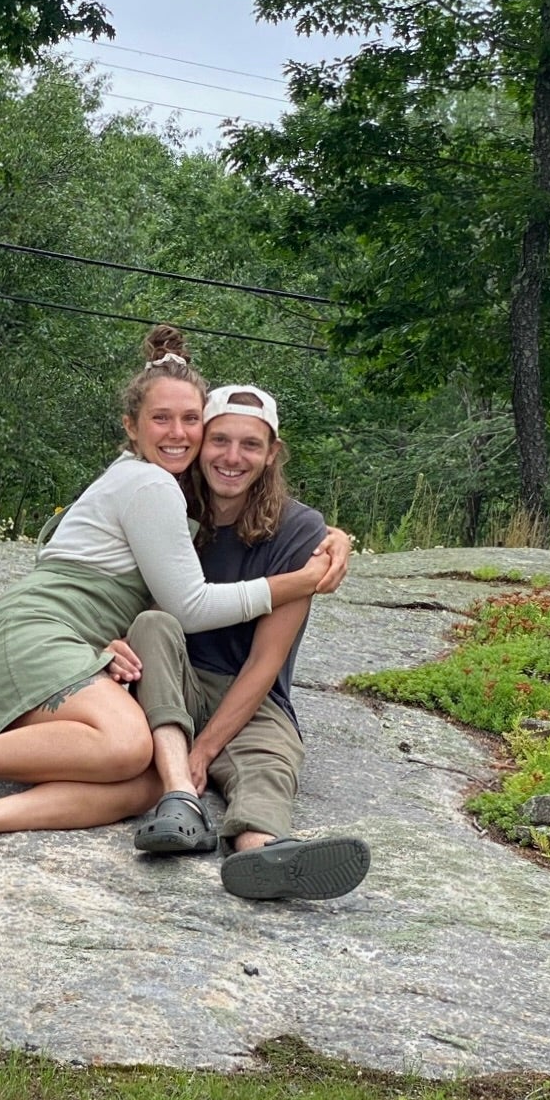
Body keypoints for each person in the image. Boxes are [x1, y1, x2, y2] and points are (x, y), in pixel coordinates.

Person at [0, 326, 348, 854]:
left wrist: (106, 643)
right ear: (131, 426)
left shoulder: (161, 484)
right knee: (125, 743)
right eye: (162, 419)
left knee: (147, 782)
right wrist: (301, 582)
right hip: (31, 637)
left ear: (270, 452)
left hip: (62, 647)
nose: (180, 433)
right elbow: (186, 607)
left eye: (191, 419)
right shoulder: (153, 484)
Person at [121, 384, 370, 901]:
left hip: (251, 696)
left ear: (272, 453)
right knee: (152, 624)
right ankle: (180, 798)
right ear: (200, 443)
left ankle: (262, 853)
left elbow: (266, 661)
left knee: (270, 766)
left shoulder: (300, 531)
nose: (232, 458)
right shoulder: (166, 503)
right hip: (169, 681)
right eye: (219, 441)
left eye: (251, 445)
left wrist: (206, 748)